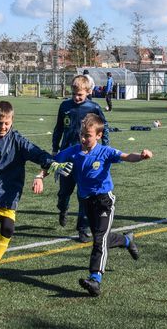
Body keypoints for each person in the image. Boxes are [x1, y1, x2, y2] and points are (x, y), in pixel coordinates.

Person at [0, 100, 72, 289]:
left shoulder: (17, 141)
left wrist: (51, 163)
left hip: (9, 192)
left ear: (12, 122)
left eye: (6, 124)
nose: (2, 127)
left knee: (8, 229)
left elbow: (35, 152)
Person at [37, 113, 151, 297]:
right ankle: (127, 240)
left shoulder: (105, 151)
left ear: (98, 135)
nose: (83, 138)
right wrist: (40, 176)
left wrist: (142, 156)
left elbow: (127, 156)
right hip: (86, 201)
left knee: (99, 239)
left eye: (87, 135)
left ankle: (95, 279)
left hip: (104, 201)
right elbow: (53, 162)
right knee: (102, 236)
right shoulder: (73, 151)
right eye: (81, 134)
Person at [52, 75, 110, 242]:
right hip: (67, 157)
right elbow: (58, 129)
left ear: (88, 92)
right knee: (65, 192)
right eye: (74, 94)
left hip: (86, 158)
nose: (77, 98)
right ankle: (62, 208)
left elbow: (104, 128)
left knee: (84, 195)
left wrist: (104, 148)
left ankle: (82, 229)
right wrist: (55, 149)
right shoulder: (65, 106)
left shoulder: (94, 107)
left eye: (80, 95)